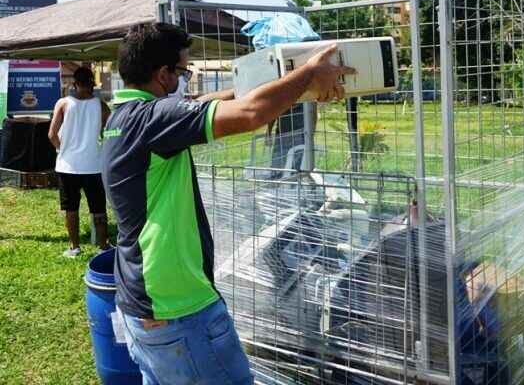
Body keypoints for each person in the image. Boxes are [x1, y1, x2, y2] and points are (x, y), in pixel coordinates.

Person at [101, 23, 354, 385]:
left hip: (141, 301)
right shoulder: (153, 120)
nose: (184, 80)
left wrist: (291, 89)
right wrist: (310, 73)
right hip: (178, 307)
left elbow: (200, 104)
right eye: (183, 71)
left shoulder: (124, 118)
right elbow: (250, 114)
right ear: (162, 74)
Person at [48, 67, 111, 258]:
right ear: (92, 84)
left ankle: (74, 248)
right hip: (93, 165)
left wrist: (62, 149)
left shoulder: (63, 103)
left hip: (68, 166)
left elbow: (51, 134)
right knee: (98, 209)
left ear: (74, 84)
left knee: (71, 209)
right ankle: (103, 247)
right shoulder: (101, 106)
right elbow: (109, 134)